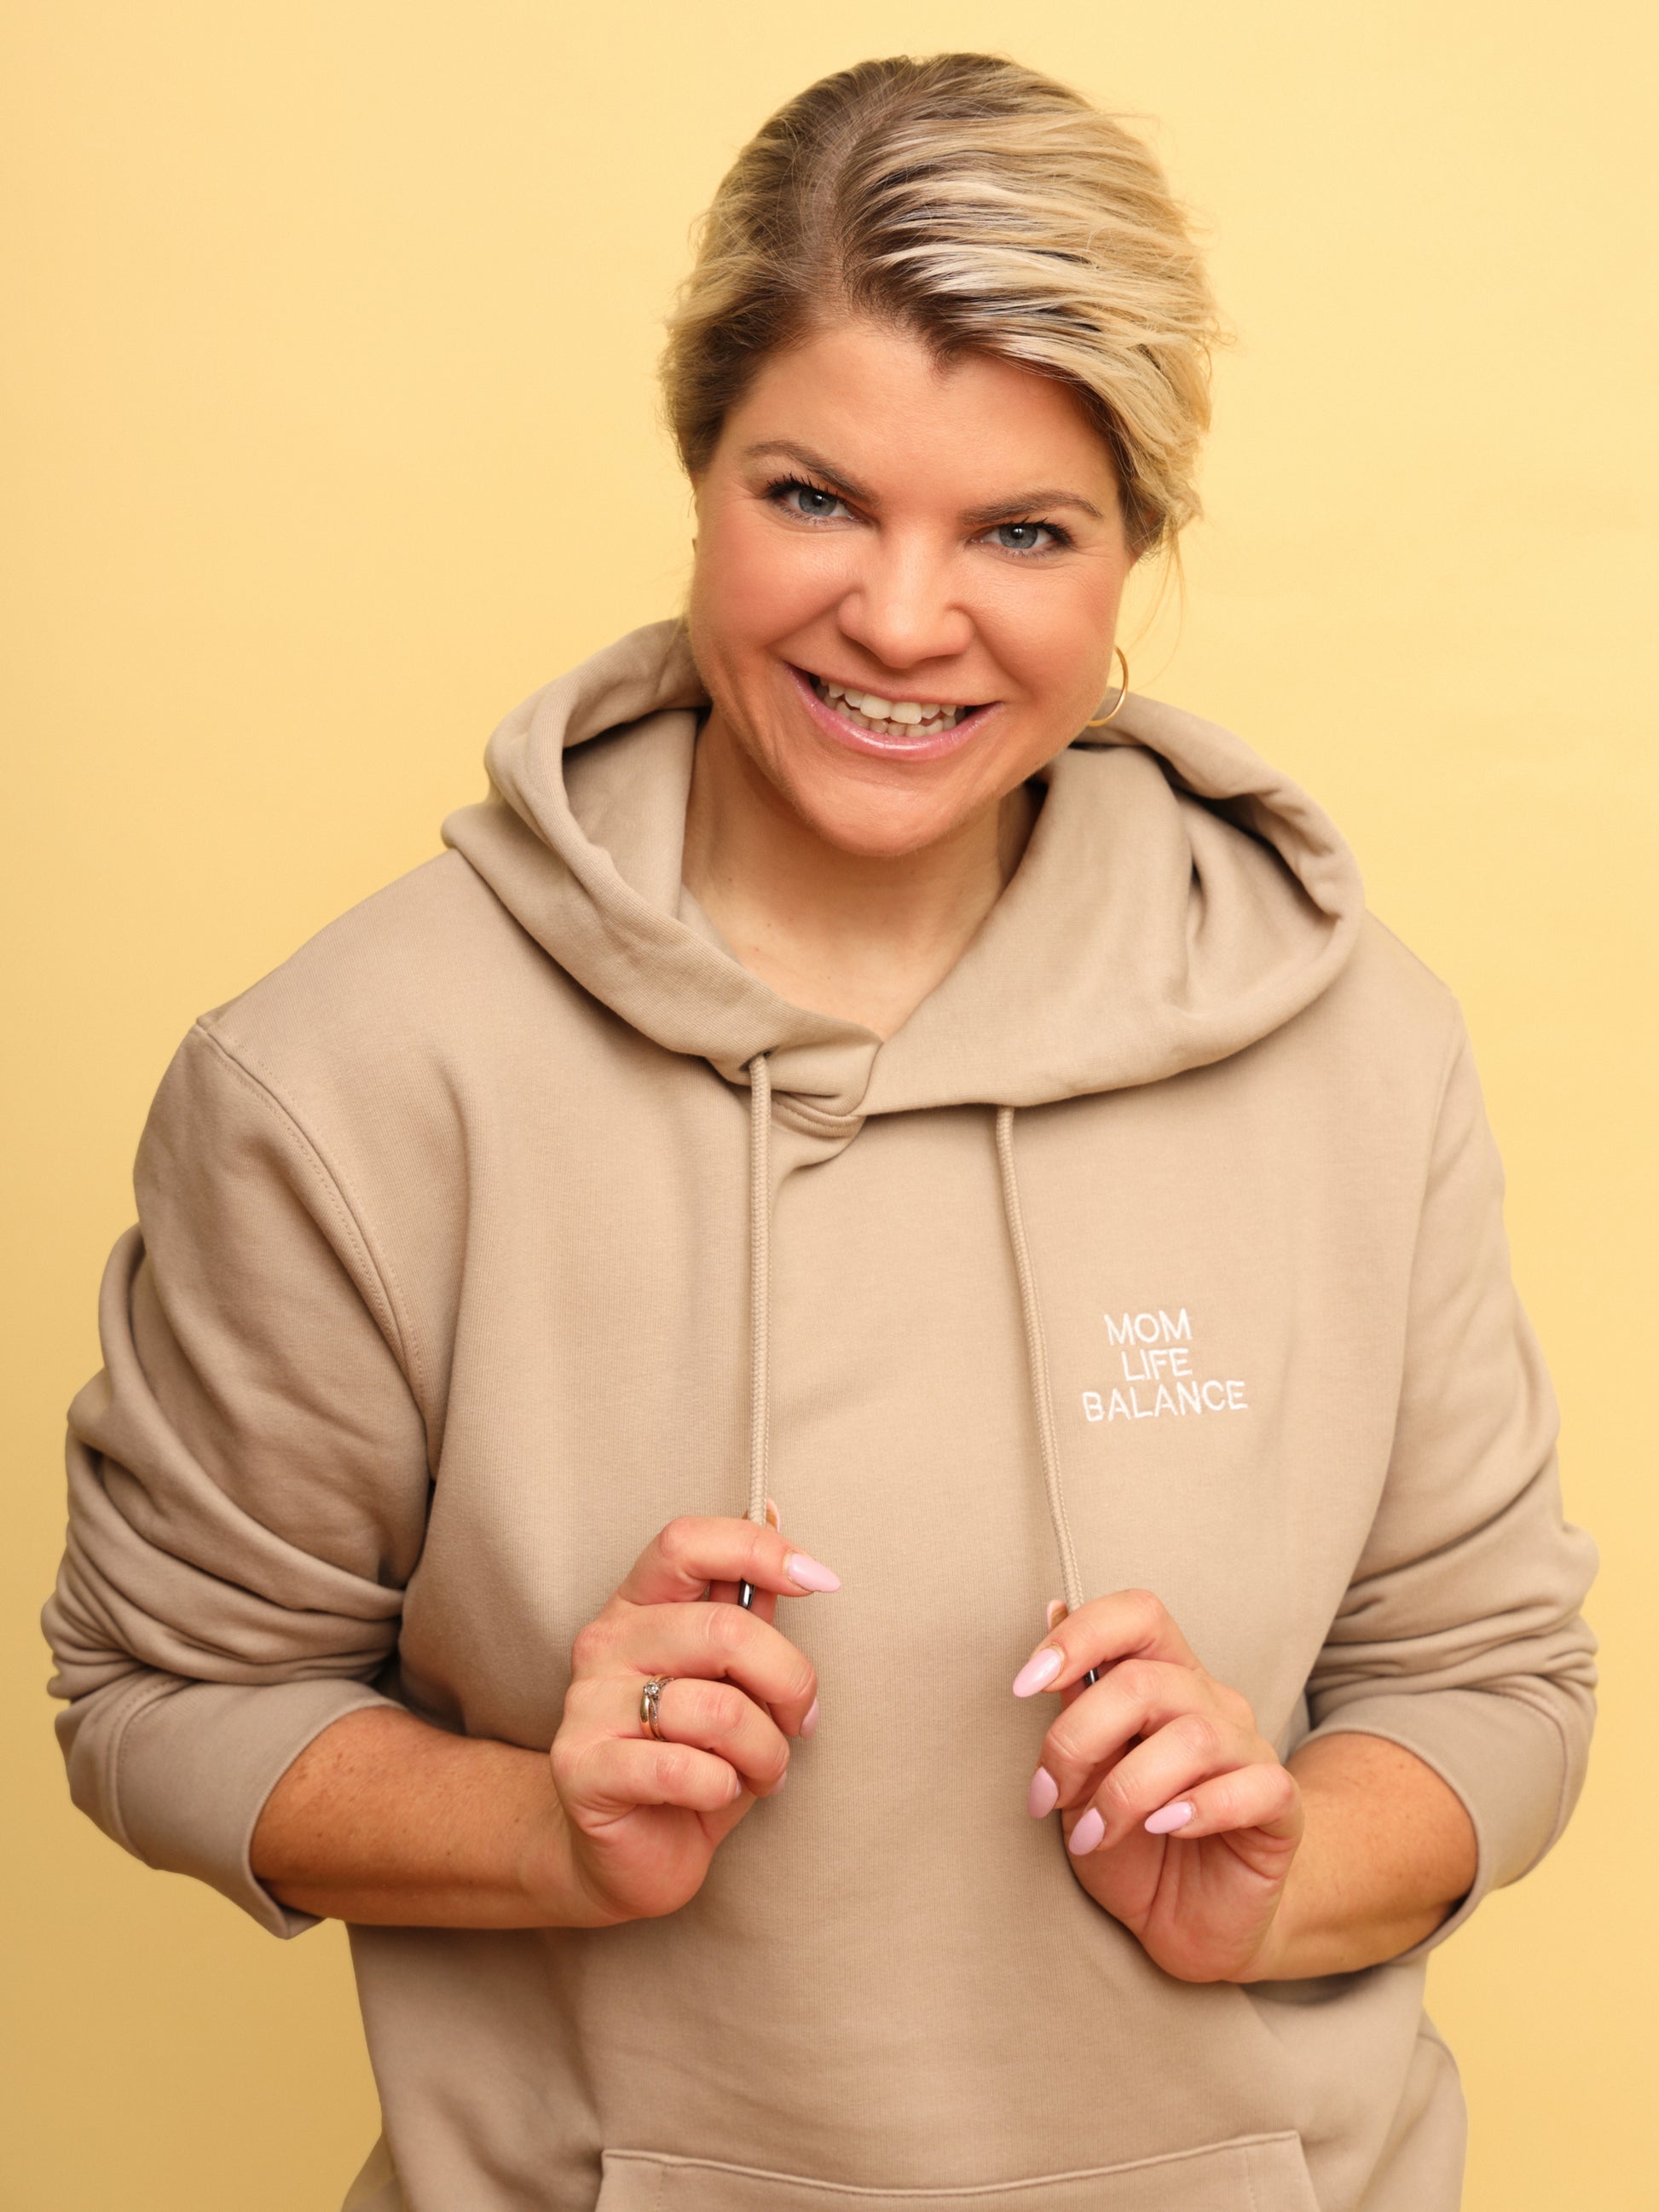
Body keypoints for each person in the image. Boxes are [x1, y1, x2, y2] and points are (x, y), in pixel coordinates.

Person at [44, 51, 1596, 2212]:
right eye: (813, 497)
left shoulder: (1354, 1044)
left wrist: (1282, 1868)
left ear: (1134, 549)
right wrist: (542, 1828)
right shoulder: (351, 1072)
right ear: (698, 471)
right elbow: (160, 1693)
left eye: (1022, 531)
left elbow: (1489, 1679)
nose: (900, 617)